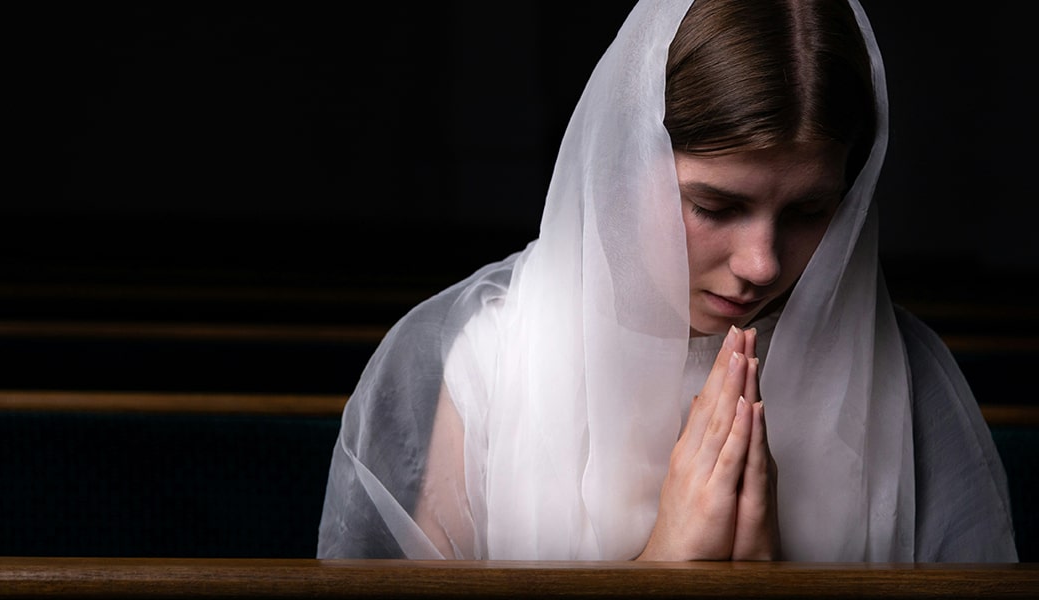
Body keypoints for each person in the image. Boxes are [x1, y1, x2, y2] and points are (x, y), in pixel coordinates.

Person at [316, 0, 1017, 562]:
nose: (763, 263)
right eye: (716, 206)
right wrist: (663, 569)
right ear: (626, 160)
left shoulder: (904, 375)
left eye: (809, 211)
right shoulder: (489, 361)